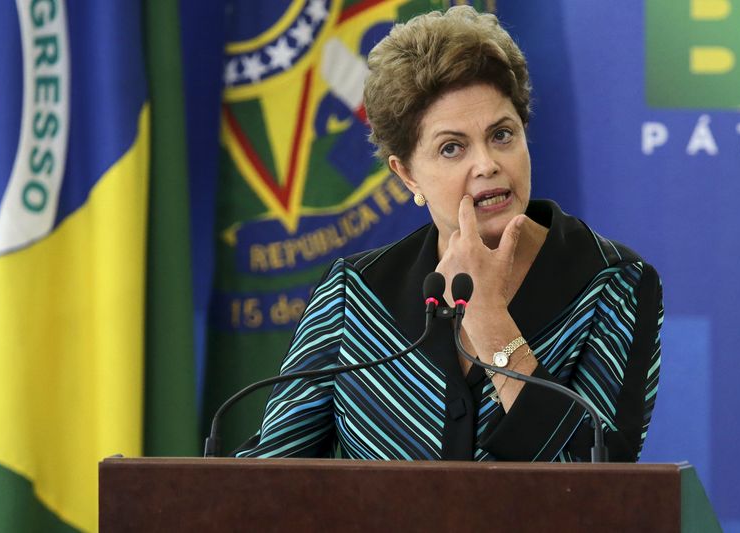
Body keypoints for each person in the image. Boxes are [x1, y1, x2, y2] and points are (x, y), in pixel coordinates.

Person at [235, 6, 663, 462]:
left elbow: (603, 484)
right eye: (451, 148)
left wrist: (488, 318)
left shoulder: (612, 284)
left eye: (502, 135)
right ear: (407, 175)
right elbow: (269, 477)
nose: (487, 164)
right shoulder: (355, 296)